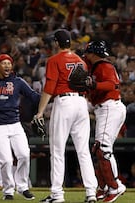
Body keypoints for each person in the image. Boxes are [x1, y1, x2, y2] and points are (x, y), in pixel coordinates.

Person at [34, 29, 97, 203]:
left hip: (64, 103)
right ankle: (91, 193)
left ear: (56, 43)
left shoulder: (54, 60)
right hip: (81, 104)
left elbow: (49, 88)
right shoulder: (80, 61)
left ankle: (57, 195)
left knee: (57, 150)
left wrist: (40, 111)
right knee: (83, 151)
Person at [0, 54, 39, 201]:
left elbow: (33, 96)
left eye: (9, 63)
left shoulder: (17, 81)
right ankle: (8, 191)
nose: (7, 66)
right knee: (5, 160)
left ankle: (23, 187)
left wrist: (50, 97)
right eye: (4, 63)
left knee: (24, 154)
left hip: (15, 123)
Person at [83, 40, 127, 202]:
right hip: (106, 108)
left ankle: (115, 187)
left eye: (87, 53)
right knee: (98, 149)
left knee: (103, 149)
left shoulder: (104, 65)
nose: (85, 56)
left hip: (109, 107)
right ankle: (104, 187)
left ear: (93, 53)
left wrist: (94, 84)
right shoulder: (96, 67)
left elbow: (112, 84)